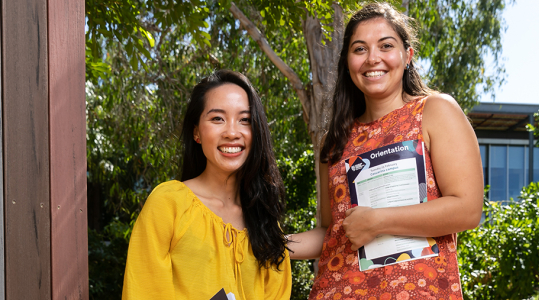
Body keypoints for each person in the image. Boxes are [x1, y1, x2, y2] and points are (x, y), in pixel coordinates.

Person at [287, 3, 483, 299]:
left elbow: (467, 210)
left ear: (407, 55)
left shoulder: (435, 112)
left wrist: (378, 221)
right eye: (359, 49)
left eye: (385, 45)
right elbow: (332, 231)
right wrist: (273, 245)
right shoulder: (335, 141)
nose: (372, 58)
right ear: (347, 62)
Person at [122, 69, 291, 300]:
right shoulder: (168, 204)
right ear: (196, 133)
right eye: (217, 119)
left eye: (245, 120)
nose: (232, 132)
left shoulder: (267, 225)